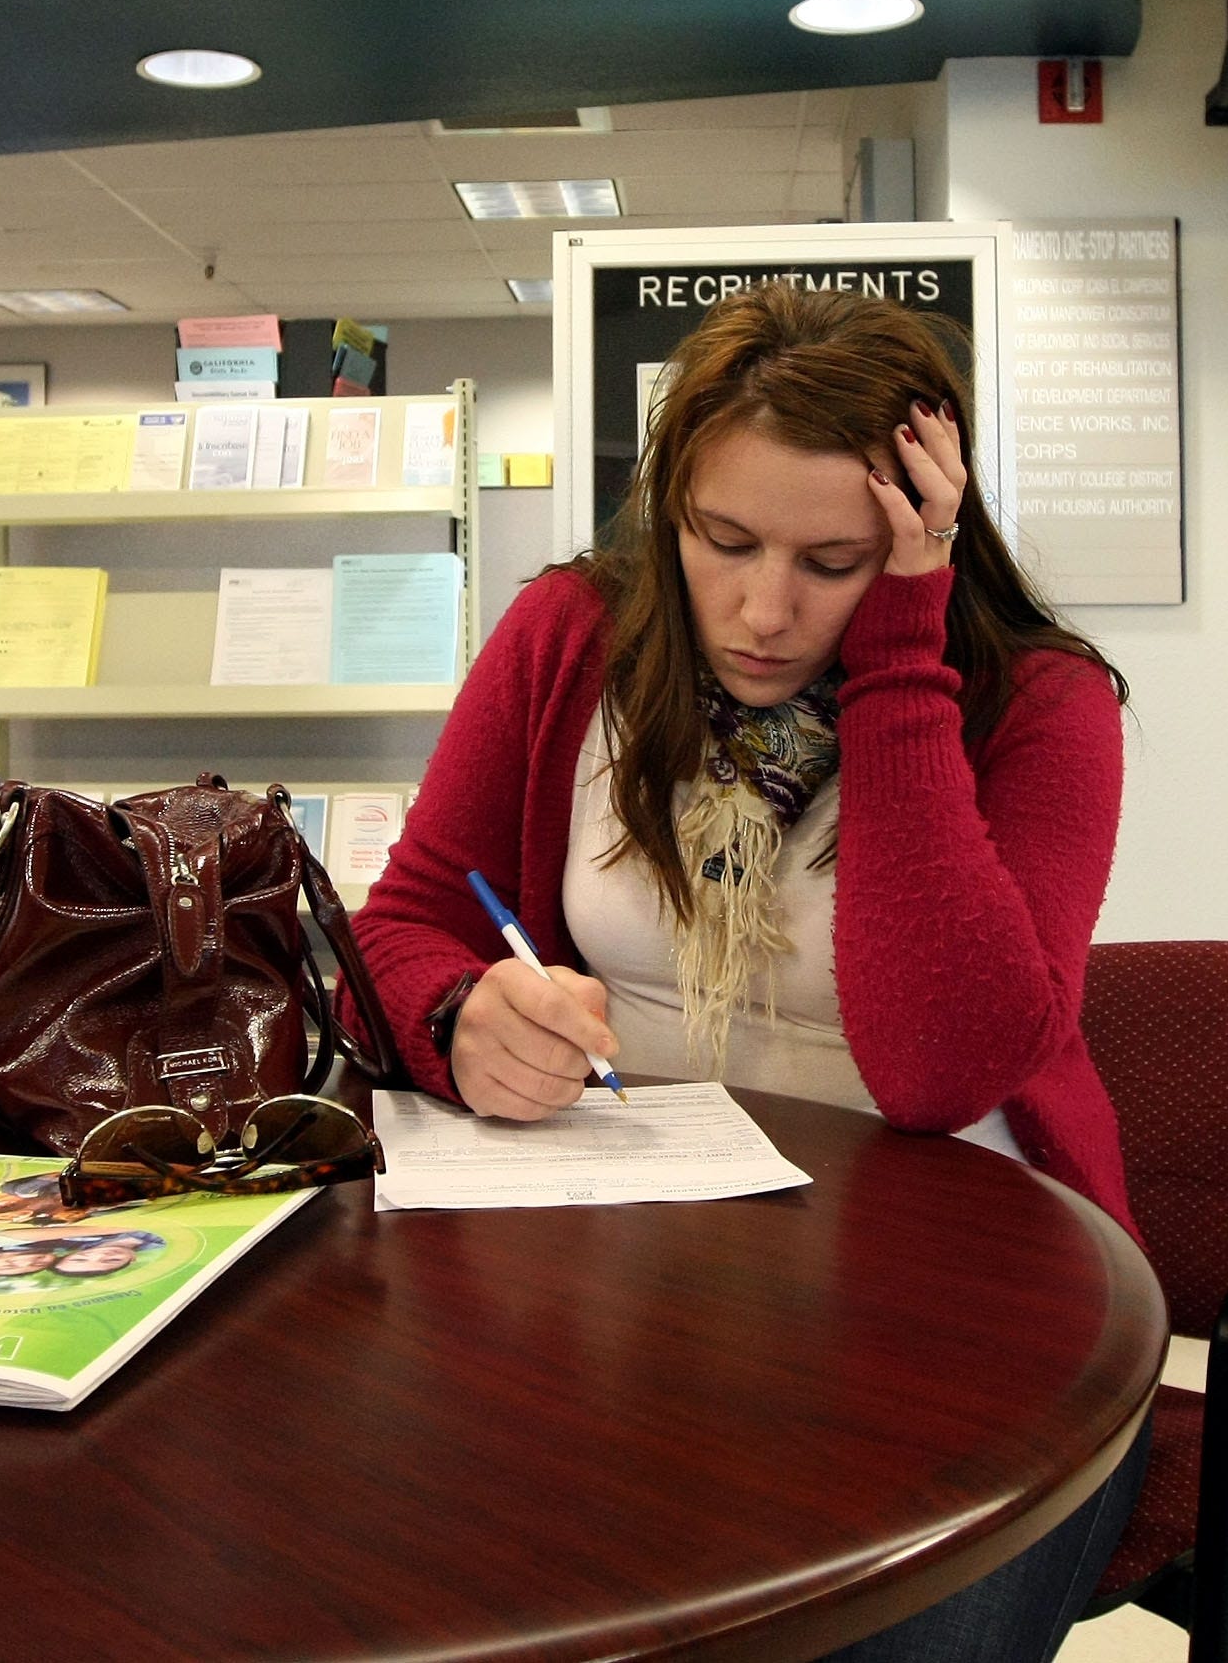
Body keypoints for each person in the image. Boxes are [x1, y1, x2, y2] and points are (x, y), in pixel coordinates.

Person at [353, 283, 1144, 1663]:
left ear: (921, 531)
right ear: (668, 508)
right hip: (631, 1263)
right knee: (465, 1561)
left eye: (831, 560)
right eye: (724, 541)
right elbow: (407, 920)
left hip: (965, 1292)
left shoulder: (1046, 702)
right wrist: (455, 1010)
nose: (764, 609)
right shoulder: (569, 638)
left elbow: (939, 1068)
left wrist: (903, 655)